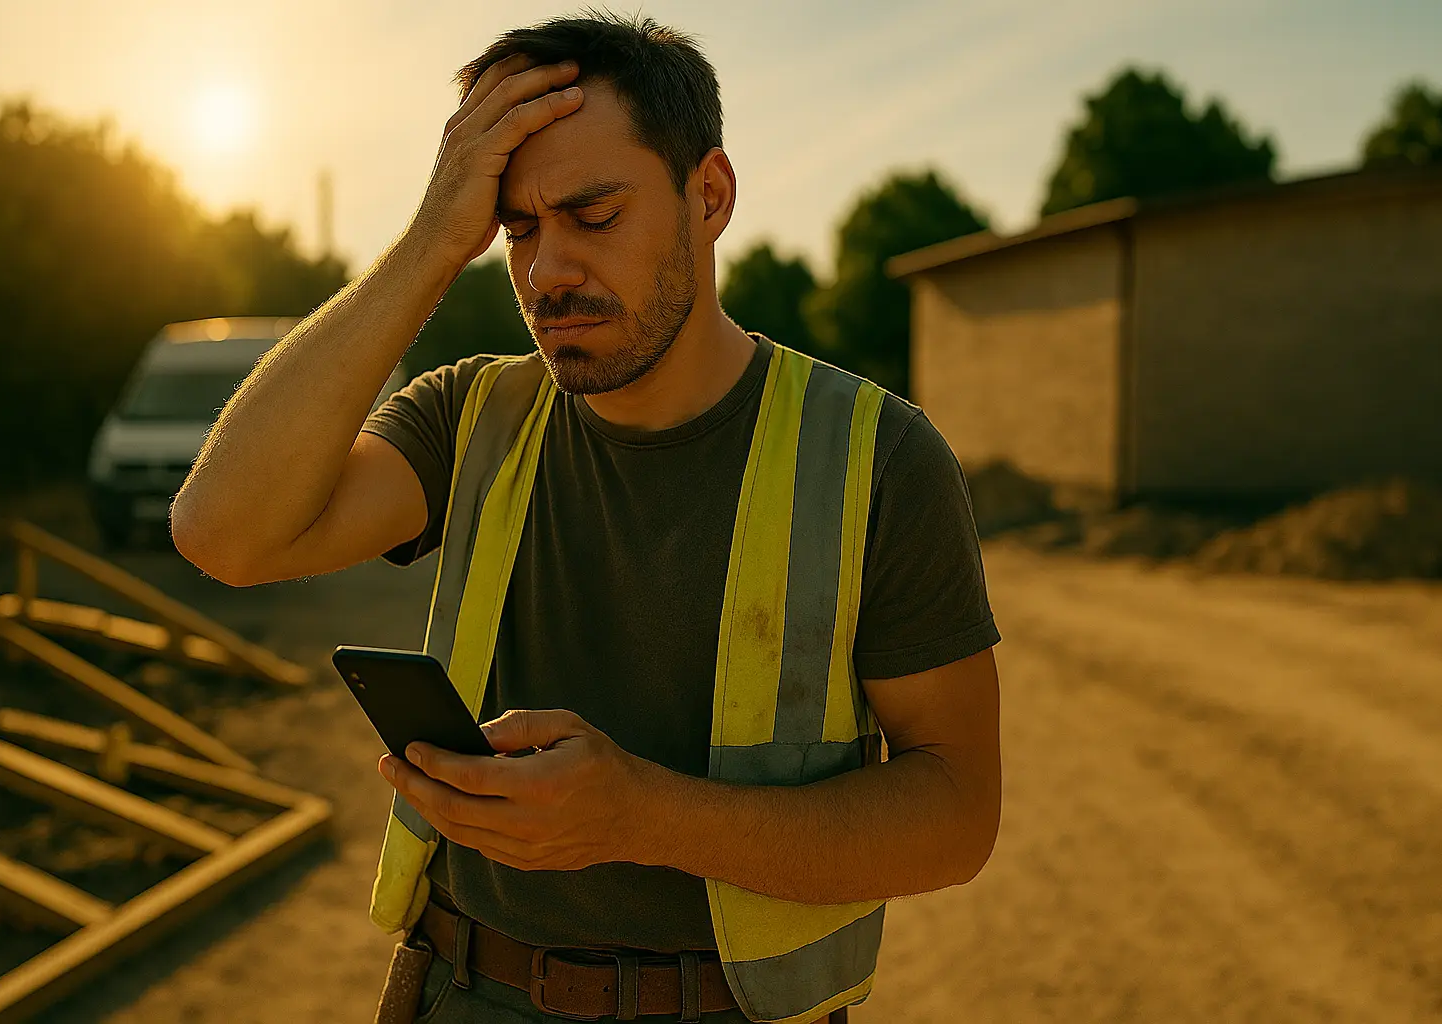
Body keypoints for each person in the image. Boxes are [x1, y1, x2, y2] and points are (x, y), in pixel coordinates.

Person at [171, 11, 1002, 1024]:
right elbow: (223, 530)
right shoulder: (469, 415)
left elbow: (957, 812)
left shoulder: (879, 456)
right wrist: (435, 237)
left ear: (711, 194)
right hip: (461, 992)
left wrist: (642, 816)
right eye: (517, 229)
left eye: (592, 215)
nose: (545, 270)